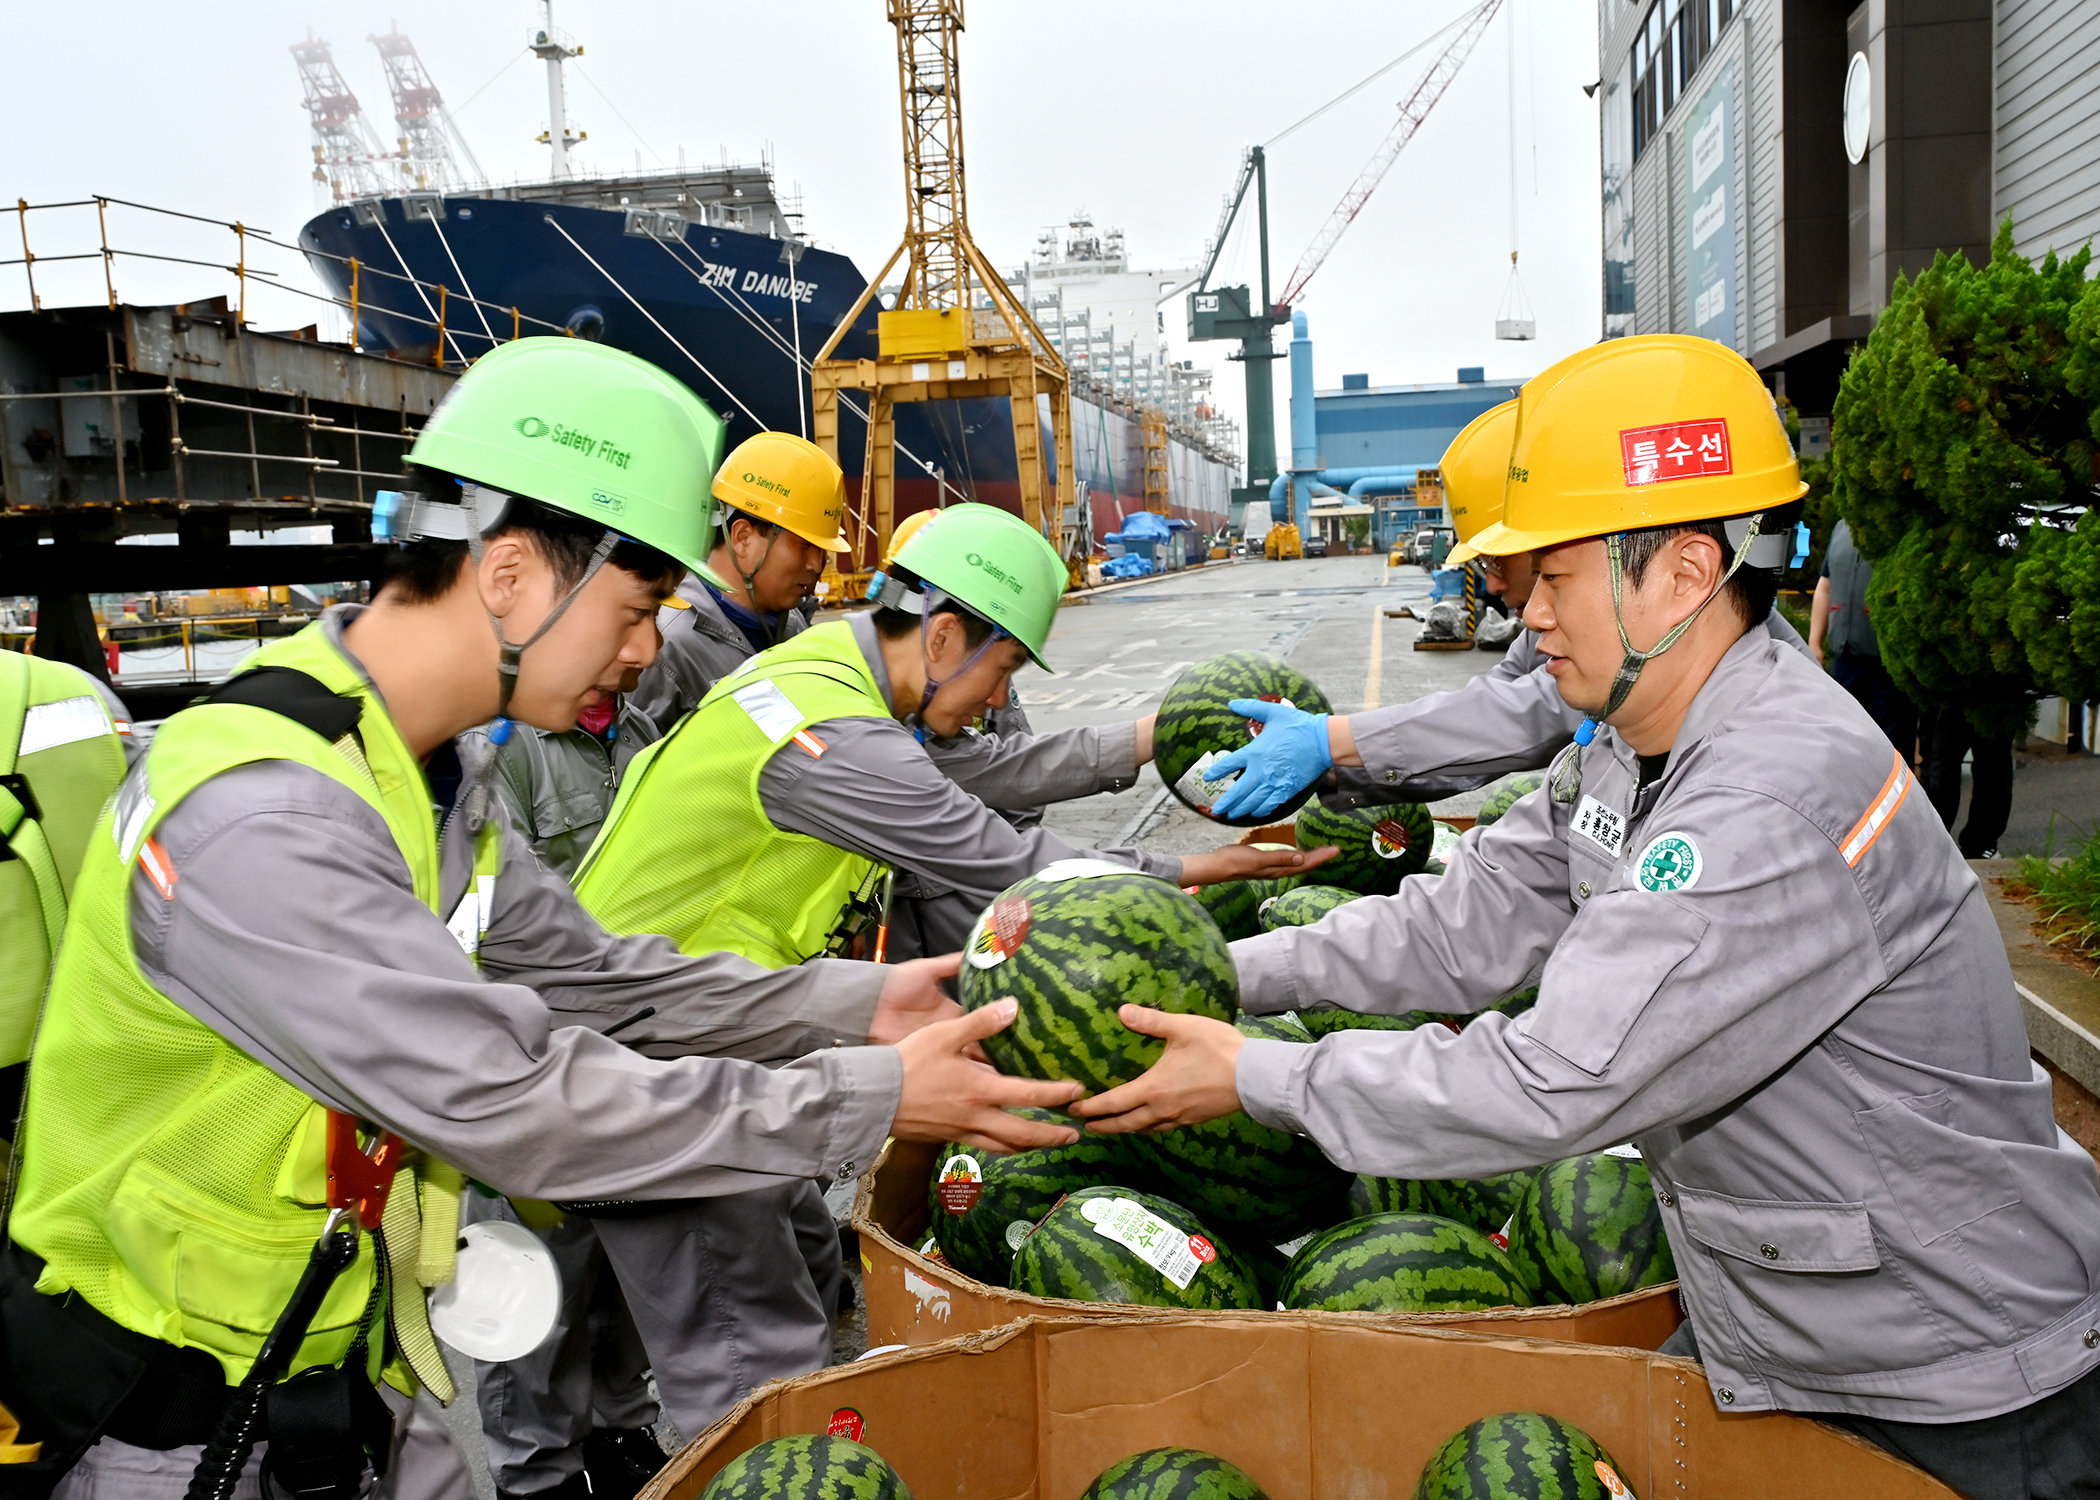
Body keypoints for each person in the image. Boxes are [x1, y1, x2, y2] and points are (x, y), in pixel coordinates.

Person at [0, 338, 1079, 1500]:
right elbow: (517, 1103)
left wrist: (863, 1005)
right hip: (169, 1425)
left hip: (334, 1364)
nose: (648, 646)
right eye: (638, 603)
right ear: (510, 571)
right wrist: (866, 1095)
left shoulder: (418, 772)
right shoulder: (261, 816)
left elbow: (607, 979)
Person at [1073, 334, 2100, 1500]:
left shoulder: (1767, 795)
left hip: (1952, 1363)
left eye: (1553, 579)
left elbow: (1555, 1080)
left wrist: (1263, 1078)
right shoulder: (1628, 747)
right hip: (1786, 1324)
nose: (1530, 617)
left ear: (1683, 574)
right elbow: (1460, 925)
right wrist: (1220, 970)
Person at [563, 504, 1322, 1445]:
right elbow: (998, 853)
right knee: (747, 1348)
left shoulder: (830, 681)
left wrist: (1142, 737)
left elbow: (974, 775)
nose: (994, 699)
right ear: (947, 635)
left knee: (767, 1267)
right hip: (663, 1042)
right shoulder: (823, 736)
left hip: (697, 1019)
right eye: (1001, 671)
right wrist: (1191, 870)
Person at [1206, 398, 1812, 818]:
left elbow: (1513, 719)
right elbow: (1480, 733)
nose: (1499, 590)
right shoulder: (1586, 638)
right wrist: (1337, 769)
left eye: (1511, 565)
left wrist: (1331, 740)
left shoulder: (1763, 767)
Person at [616, 431, 846, 765]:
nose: (817, 564)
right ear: (742, 538)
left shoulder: (792, 624)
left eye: (822, 549)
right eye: (803, 544)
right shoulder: (669, 646)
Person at [1810, 517, 1918, 761]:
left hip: (1890, 667)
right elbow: (1825, 586)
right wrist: (1814, 642)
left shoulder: (1901, 522)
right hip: (1845, 662)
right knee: (1844, 745)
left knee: (1892, 750)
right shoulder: (1840, 527)